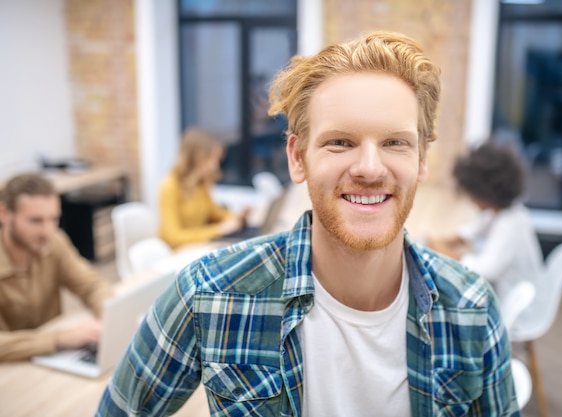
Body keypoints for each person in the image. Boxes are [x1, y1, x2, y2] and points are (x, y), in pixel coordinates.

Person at [97, 31, 520, 416]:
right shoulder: (208, 295)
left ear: (422, 160)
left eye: (395, 142)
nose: (370, 168)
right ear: (297, 158)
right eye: (340, 142)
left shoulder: (472, 310)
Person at [0, 173, 113, 361]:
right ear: (4, 214)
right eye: (35, 221)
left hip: (51, 358)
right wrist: (59, 338)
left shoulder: (53, 241)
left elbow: (92, 284)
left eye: (53, 219)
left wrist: (107, 318)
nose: (47, 231)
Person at [428, 141, 544, 302]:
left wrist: (445, 252)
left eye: (472, 194)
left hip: (512, 304)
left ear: (484, 192)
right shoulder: (507, 211)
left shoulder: (509, 225)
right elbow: (475, 230)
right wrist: (446, 241)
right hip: (509, 291)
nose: (471, 200)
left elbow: (485, 270)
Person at [158, 127, 246, 249]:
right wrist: (218, 230)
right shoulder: (169, 186)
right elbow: (172, 237)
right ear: (196, 158)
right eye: (212, 159)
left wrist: (238, 217)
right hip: (177, 253)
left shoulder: (202, 183)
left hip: (197, 247)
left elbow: (214, 212)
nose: (215, 166)